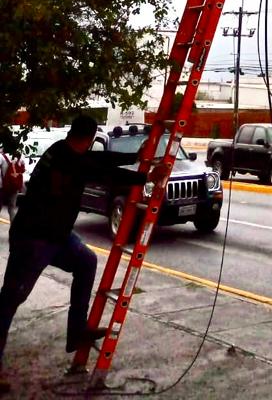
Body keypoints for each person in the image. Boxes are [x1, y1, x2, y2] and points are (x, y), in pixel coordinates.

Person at [0, 115, 169, 386]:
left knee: (86, 262)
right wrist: (145, 175)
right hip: (33, 240)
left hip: (55, 237)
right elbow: (101, 170)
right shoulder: (72, 161)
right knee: (9, 301)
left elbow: (99, 162)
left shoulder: (62, 150)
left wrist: (133, 157)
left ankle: (77, 330)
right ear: (90, 139)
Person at [0, 152, 24, 223]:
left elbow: (4, 173)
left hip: (4, 186)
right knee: (12, 208)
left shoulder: (3, 157)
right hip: (14, 187)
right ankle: (13, 228)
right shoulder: (20, 160)